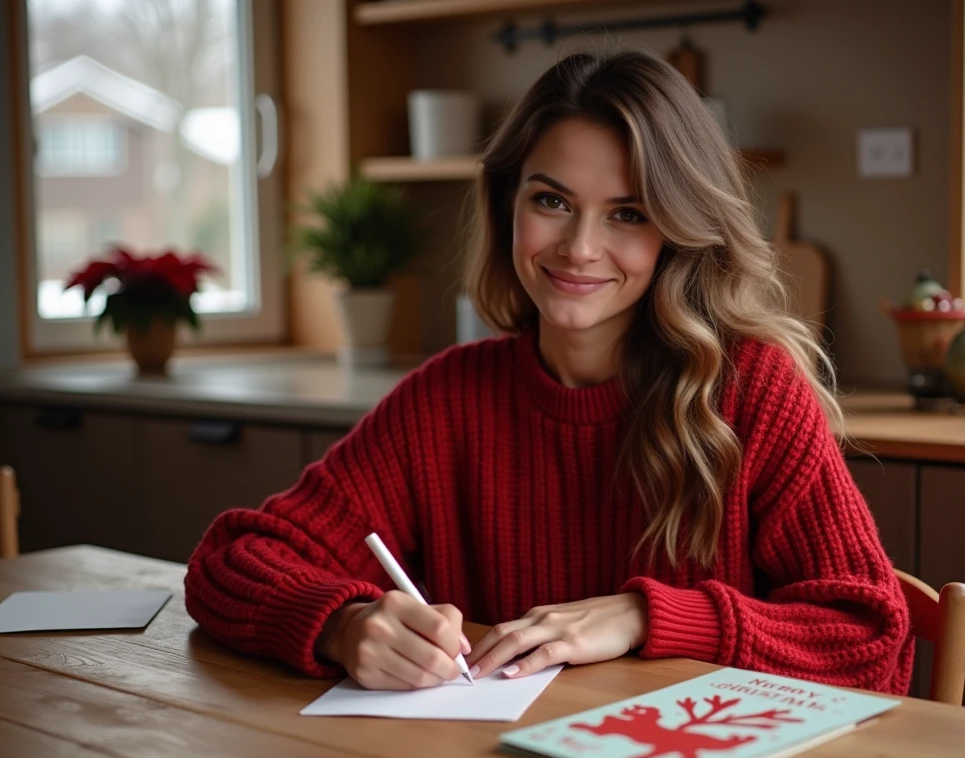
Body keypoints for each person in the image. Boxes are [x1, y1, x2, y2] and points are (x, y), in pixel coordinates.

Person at [184, 47, 913, 695]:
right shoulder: (445, 401)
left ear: (679, 232)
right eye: (552, 201)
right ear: (509, 206)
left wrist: (643, 616)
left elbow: (871, 636)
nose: (579, 247)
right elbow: (230, 562)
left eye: (627, 213)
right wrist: (341, 626)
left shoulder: (752, 389)